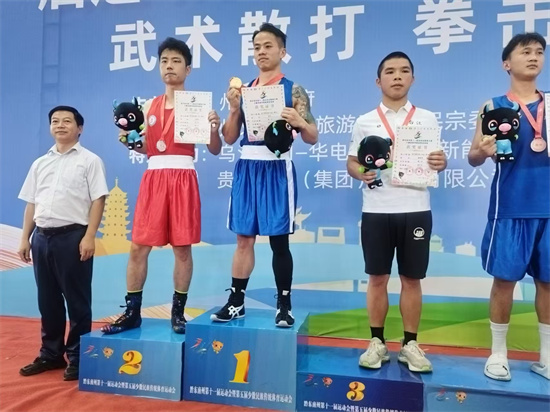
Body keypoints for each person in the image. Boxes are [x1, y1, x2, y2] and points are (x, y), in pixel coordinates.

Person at [101, 37, 222, 335]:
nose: (169, 66)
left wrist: (213, 128)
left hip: (183, 178)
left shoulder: (197, 106)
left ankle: (178, 313)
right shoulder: (147, 106)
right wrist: (130, 142)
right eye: (164, 61)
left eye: (176, 61)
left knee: (182, 249)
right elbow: (147, 148)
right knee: (138, 247)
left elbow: (215, 148)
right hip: (154, 177)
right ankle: (132, 312)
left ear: (188, 69)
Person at [210, 23, 318, 327]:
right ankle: (236, 302)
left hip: (277, 169)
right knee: (243, 239)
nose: (261, 51)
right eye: (257, 47)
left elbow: (312, 136)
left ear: (282, 51)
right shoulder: (244, 91)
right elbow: (230, 137)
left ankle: (284, 305)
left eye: (268, 46)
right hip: (247, 167)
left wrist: (300, 121)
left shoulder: (293, 90)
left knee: (278, 241)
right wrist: (234, 109)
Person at [347, 52, 447, 372]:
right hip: (377, 209)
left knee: (411, 279)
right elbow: (352, 161)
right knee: (377, 278)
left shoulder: (427, 119)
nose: (397, 76)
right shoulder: (364, 121)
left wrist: (441, 162)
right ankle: (377, 342)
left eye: (404, 71)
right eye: (390, 71)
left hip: (416, 208)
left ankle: (410, 345)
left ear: (413, 79)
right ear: (379, 81)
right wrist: (360, 173)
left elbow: (437, 159)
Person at [468, 32, 549, 381]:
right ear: (506, 63)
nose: (533, 57)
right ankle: (498, 354)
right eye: (525, 51)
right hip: (510, 207)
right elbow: (473, 156)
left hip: (548, 209)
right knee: (504, 282)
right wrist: (482, 151)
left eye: (539, 52)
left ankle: (547, 357)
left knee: (548, 284)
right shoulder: (493, 106)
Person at [18, 106, 108, 381]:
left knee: (77, 301)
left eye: (67, 121)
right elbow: (32, 202)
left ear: (79, 128)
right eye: (55, 121)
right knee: (48, 300)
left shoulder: (90, 160)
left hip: (73, 237)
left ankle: (79, 357)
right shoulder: (40, 163)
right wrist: (25, 237)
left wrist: (90, 236)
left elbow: (98, 200)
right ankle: (51, 354)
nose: (60, 125)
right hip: (41, 237)